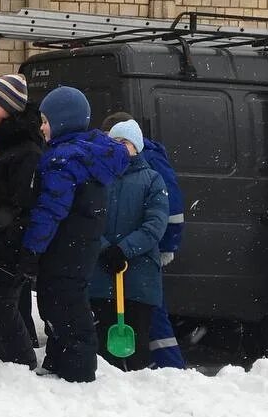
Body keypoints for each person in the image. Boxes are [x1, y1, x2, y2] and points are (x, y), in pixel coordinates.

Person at [22, 86, 129, 383]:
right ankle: (60, 358)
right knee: (62, 299)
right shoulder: (87, 153)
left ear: (62, 122)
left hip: (64, 243)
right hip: (80, 242)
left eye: (45, 121)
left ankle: (78, 367)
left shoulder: (64, 160)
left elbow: (51, 209)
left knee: (63, 303)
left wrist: (32, 245)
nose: (42, 127)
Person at [100, 111, 186, 368]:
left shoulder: (151, 167)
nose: (113, 147)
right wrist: (106, 247)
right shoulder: (105, 173)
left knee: (148, 314)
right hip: (113, 259)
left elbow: (168, 211)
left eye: (120, 141)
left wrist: (167, 245)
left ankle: (170, 369)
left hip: (143, 255)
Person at [88, 120, 169, 371]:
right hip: (101, 274)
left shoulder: (152, 180)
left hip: (138, 277)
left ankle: (136, 388)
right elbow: (88, 218)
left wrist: (124, 249)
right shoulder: (99, 178)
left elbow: (155, 224)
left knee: (136, 340)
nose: (120, 148)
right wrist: (103, 248)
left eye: (125, 142)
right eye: (114, 143)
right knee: (101, 342)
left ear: (137, 147)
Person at [0, 74, 42, 369]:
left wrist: (7, 244)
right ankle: (0, 366)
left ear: (12, 109)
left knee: (0, 306)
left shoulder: (26, 150)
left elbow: (24, 205)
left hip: (9, 244)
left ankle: (20, 365)